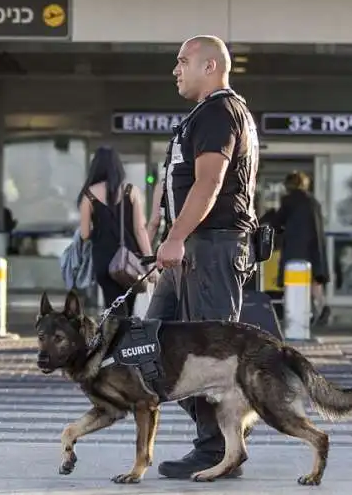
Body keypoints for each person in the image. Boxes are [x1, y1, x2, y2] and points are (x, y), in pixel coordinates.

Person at [148, 35, 260, 479]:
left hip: (210, 247)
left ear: (210, 66)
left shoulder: (219, 111)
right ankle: (216, 441)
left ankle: (218, 450)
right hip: (193, 248)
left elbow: (209, 183)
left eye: (183, 61)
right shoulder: (207, 113)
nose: (176, 70)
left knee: (207, 354)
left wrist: (174, 238)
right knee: (153, 344)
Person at [77, 146, 155, 316]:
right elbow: (140, 229)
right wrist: (149, 262)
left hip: (104, 261)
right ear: (118, 166)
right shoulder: (131, 191)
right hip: (130, 261)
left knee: (114, 309)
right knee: (129, 309)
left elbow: (84, 234)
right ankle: (126, 341)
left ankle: (115, 340)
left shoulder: (88, 195)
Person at [270, 171, 330, 323]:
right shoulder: (313, 201)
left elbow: (277, 222)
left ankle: (297, 314)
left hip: (296, 247)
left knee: (293, 279)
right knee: (314, 281)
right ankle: (322, 306)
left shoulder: (289, 200)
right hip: (315, 247)